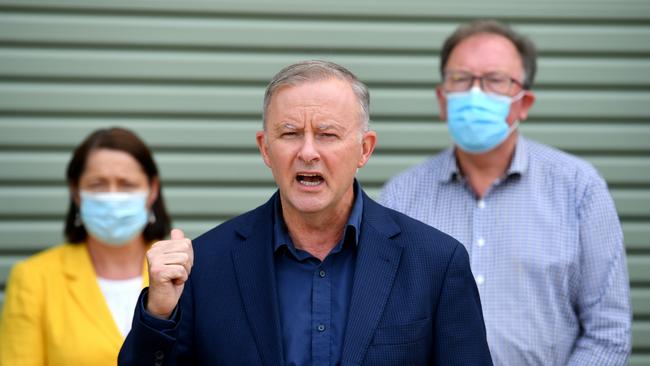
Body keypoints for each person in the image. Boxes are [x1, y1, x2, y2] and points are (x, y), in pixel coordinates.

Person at [118, 60, 493, 365]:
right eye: (290, 133)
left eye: (328, 134)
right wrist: (159, 313)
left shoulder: (435, 263)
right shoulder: (207, 265)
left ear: (365, 149)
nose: (308, 151)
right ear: (265, 149)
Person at [379, 20, 631, 365]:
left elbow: (609, 332)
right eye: (461, 79)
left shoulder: (579, 189)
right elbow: (384, 325)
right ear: (442, 99)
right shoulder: (401, 196)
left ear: (523, 102)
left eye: (495, 80)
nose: (476, 93)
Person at [0, 127, 171, 365]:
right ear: (77, 193)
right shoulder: (33, 278)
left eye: (126, 184)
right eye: (98, 184)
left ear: (152, 190)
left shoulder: (183, 271)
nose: (113, 197)